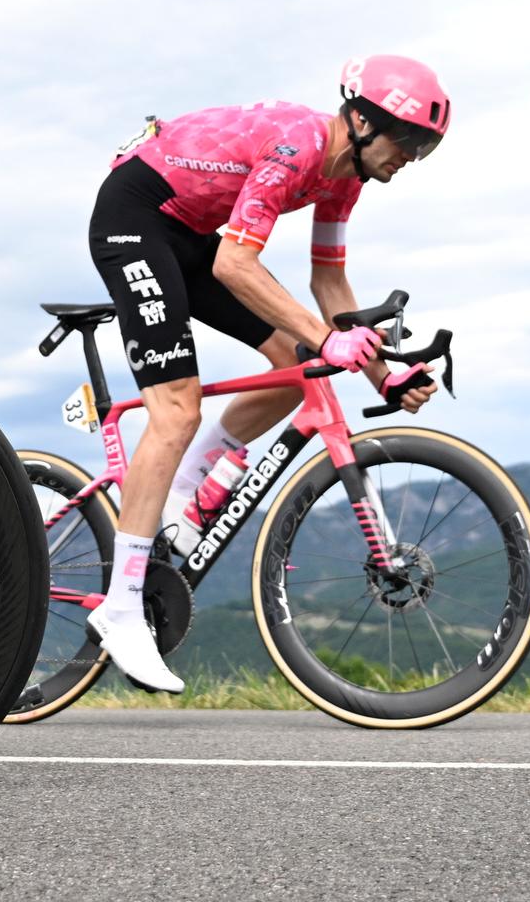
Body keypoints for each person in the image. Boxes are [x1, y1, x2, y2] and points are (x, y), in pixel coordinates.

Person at [85, 57, 450, 692]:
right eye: (409, 140)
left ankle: (184, 487)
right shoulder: (298, 145)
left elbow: (329, 283)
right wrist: (329, 339)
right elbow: (235, 264)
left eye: (425, 148)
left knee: (297, 365)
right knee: (176, 409)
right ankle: (120, 612)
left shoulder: (345, 179)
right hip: (136, 218)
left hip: (191, 233)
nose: (411, 158)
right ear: (362, 121)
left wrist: (381, 375)